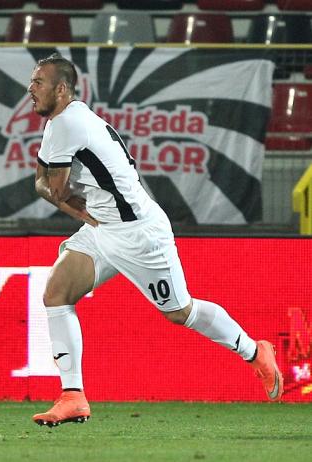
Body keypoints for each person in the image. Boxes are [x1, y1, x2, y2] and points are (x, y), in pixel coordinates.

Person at [28, 53, 284, 427]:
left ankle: (254, 350)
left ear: (61, 89)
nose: (30, 90)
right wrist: (61, 197)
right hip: (103, 228)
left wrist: (61, 198)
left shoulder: (67, 125)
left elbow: (51, 186)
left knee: (180, 312)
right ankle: (72, 396)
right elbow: (47, 185)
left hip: (138, 234)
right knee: (56, 294)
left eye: (38, 83)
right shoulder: (64, 120)